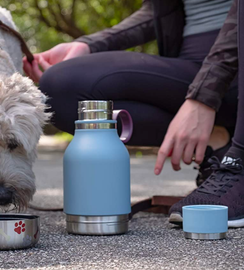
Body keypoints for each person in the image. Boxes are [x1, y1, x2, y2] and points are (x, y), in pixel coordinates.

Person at [24, 0, 244, 227]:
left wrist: (202, 97)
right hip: (189, 71)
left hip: (235, 71)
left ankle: (240, 161)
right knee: (60, 87)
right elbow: (158, 11)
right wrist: (90, 44)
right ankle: (219, 144)